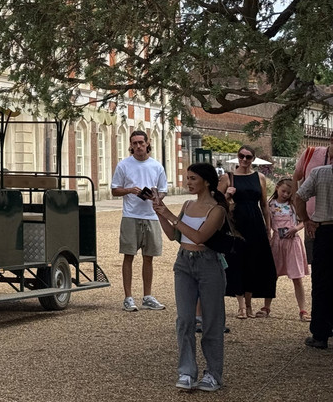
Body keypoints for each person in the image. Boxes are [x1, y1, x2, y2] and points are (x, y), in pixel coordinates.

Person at [152, 162, 228, 393]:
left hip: (209, 264)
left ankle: (213, 373)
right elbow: (174, 235)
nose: (188, 182)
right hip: (183, 263)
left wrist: (171, 216)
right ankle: (187, 371)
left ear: (206, 181)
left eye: (193, 178)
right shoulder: (186, 204)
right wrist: (160, 211)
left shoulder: (217, 210)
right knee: (184, 320)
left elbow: (199, 237)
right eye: (187, 178)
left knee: (212, 322)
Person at [111, 130, 168, 312]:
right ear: (131, 145)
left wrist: (156, 197)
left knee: (148, 257)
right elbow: (114, 190)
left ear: (147, 143)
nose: (138, 146)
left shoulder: (156, 166)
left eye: (141, 143)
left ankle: (147, 296)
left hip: (151, 216)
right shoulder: (124, 165)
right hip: (131, 215)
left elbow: (164, 190)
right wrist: (129, 190)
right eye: (134, 143)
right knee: (129, 256)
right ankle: (128, 297)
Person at [218, 145, 277, 318]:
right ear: (237, 157)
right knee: (236, 262)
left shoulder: (259, 177)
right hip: (236, 224)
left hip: (255, 222)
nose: (244, 160)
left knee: (254, 262)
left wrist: (268, 227)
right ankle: (241, 306)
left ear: (253, 158)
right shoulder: (227, 177)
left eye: (248, 157)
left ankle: (250, 304)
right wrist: (227, 196)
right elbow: (216, 202)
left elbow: (264, 205)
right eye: (241, 156)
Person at [293, 161, 333, 349]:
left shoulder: (320, 172)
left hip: (325, 230)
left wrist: (306, 220)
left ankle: (320, 334)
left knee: (322, 283)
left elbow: (299, 197)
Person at [267, 178, 309, 320]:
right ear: (277, 187)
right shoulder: (270, 205)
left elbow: (305, 220)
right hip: (277, 242)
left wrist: (296, 228)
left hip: (293, 243)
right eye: (283, 191)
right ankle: (266, 306)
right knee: (272, 276)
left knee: (297, 278)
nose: (285, 194)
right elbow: (267, 224)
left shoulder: (294, 205)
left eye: (288, 193)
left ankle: (303, 309)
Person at [294, 128, 333, 264]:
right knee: (317, 264)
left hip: (318, 223)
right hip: (313, 223)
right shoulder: (311, 154)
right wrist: (302, 217)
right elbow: (296, 178)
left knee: (320, 270)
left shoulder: (318, 171)